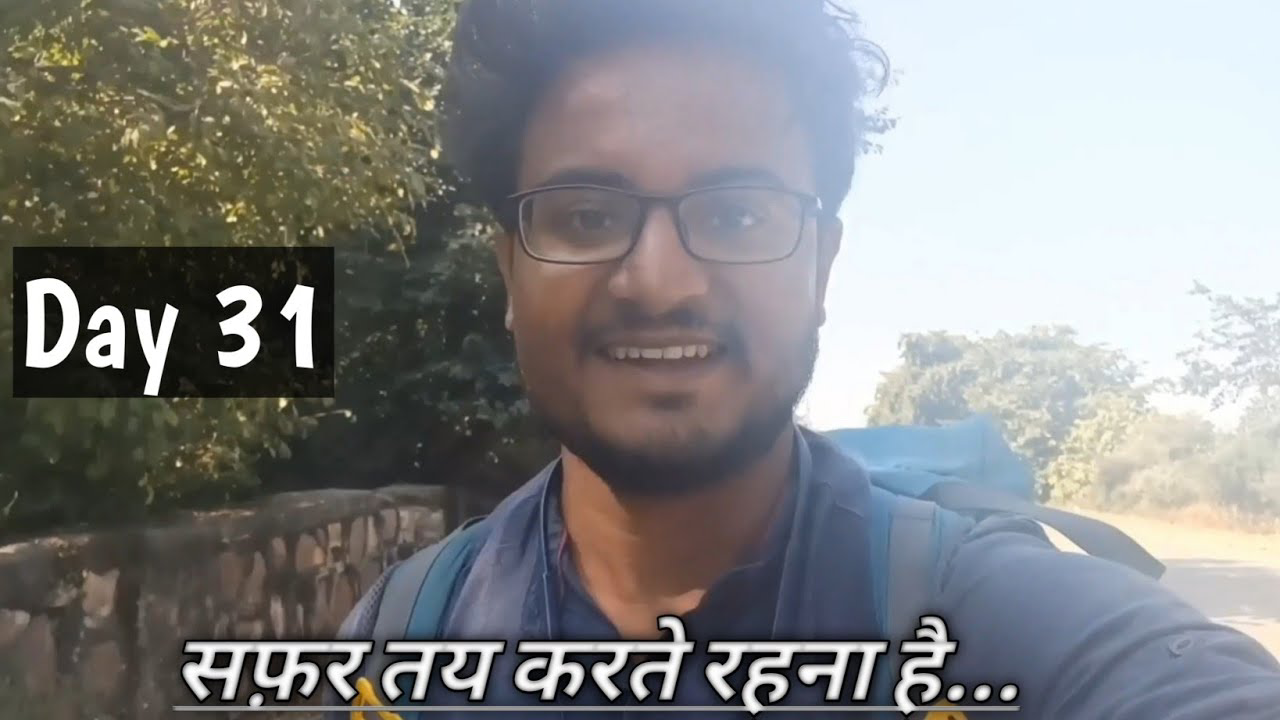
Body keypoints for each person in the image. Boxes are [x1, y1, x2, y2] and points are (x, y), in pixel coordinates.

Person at [332, 1, 1280, 717]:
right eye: (586, 215)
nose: (659, 282)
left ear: (823, 264)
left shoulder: (977, 618)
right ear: (509, 268)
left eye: (738, 214)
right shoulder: (401, 643)